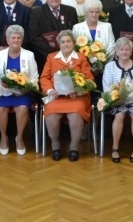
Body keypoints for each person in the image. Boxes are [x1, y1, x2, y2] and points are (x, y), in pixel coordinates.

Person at [40, 30, 94, 162]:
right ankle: (55, 145)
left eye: (68, 41)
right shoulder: (51, 57)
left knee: (75, 113)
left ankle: (74, 147)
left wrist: (78, 90)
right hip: (56, 96)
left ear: (73, 43)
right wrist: (50, 90)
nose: (66, 44)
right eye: (63, 42)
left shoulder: (80, 57)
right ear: (58, 44)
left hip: (76, 97)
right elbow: (44, 78)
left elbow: (89, 79)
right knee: (51, 113)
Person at [0, 25, 38, 156]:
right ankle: (4, 138)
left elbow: (34, 77)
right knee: (1, 109)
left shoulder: (29, 55)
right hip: (2, 93)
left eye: (18, 38)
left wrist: (26, 89)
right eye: (13, 38)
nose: (16, 40)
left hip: (23, 93)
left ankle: (19, 138)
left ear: (22, 39)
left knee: (22, 108)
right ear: (7, 40)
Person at [102, 37, 133, 163]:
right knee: (119, 115)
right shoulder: (109, 67)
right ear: (116, 52)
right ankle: (115, 148)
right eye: (121, 49)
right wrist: (115, 98)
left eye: (127, 49)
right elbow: (107, 87)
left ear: (131, 51)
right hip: (117, 102)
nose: (124, 52)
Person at [28, 0, 79, 69]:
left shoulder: (70, 11)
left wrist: (66, 51)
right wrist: (54, 54)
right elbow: (35, 37)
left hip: (68, 57)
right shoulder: (36, 13)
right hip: (45, 58)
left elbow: (75, 33)